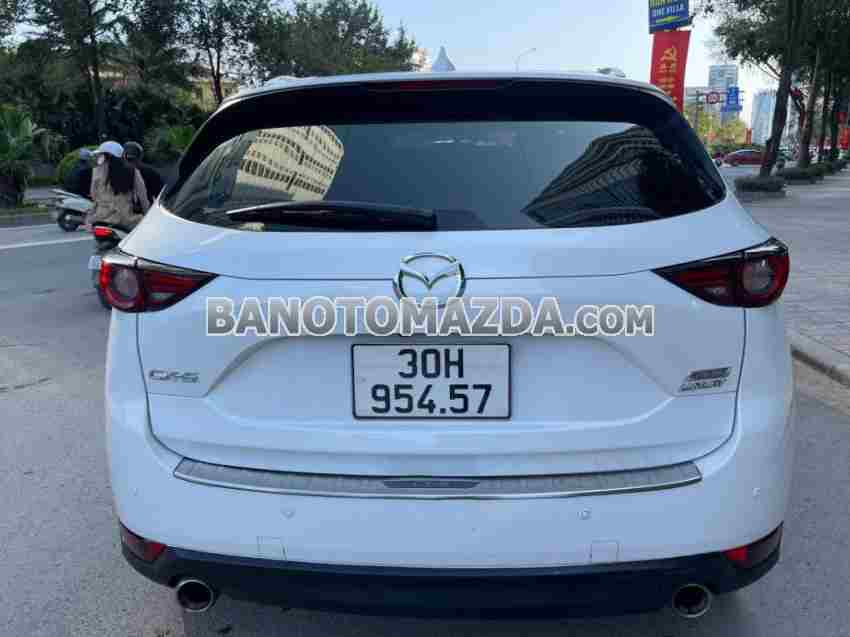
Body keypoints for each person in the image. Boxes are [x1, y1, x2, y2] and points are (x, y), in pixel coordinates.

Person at [86, 141, 150, 231]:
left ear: (106, 156)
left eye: (101, 155)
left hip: (101, 219)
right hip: (126, 220)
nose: (99, 157)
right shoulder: (133, 171)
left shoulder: (96, 171)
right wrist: (147, 214)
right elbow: (143, 197)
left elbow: (93, 195)